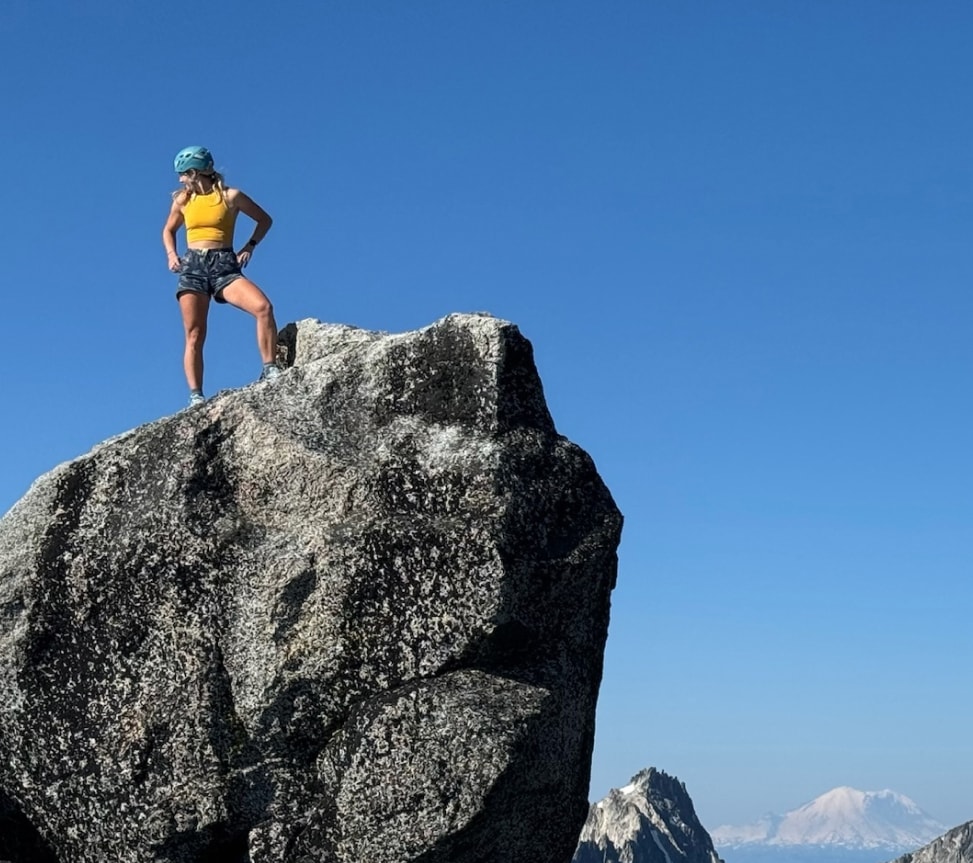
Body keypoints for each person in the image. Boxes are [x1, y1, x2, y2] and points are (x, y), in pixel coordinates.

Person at [162, 145, 280, 407]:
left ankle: (270, 369)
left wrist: (249, 246)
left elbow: (264, 220)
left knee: (263, 307)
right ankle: (196, 397)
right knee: (195, 333)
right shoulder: (182, 201)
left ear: (194, 173)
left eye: (183, 174)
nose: (180, 180)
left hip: (224, 265)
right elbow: (168, 231)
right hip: (193, 267)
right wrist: (172, 254)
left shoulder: (231, 197)